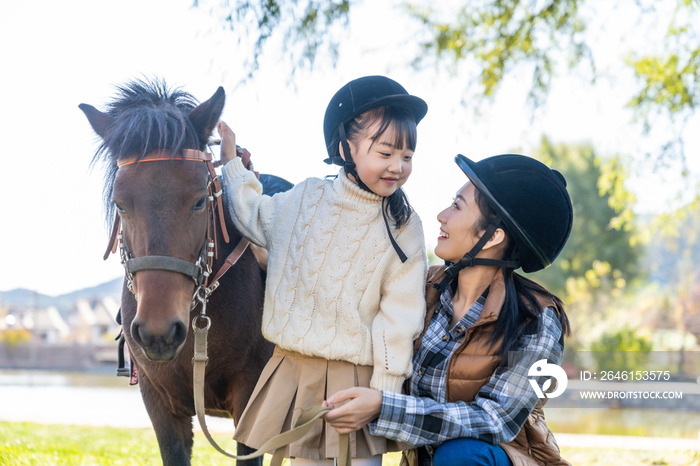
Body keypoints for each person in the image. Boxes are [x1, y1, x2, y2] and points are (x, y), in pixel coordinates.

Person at [218, 76, 430, 466]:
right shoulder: (306, 198)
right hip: (293, 374)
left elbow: (400, 318)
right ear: (344, 147)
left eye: (407, 156)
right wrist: (233, 164)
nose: (397, 167)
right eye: (385, 153)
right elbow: (253, 214)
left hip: (357, 383)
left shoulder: (404, 226)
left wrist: (382, 397)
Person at [323, 154, 574, 466]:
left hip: (487, 459)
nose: (442, 215)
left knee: (461, 454)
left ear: (494, 236)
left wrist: (383, 407)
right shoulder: (422, 286)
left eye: (457, 206)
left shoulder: (536, 318)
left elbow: (495, 421)